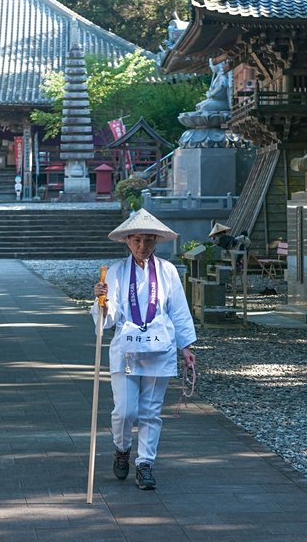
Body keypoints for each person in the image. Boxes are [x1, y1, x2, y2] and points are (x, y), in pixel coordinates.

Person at [92, 208, 196, 490]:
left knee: (150, 411)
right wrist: (102, 301)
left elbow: (178, 310)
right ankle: (122, 448)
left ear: (157, 241)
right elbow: (110, 318)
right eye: (136, 240)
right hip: (127, 349)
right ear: (127, 240)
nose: (142, 246)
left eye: (148, 240)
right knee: (124, 410)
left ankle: (145, 463)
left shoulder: (168, 271)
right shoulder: (114, 272)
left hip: (159, 346)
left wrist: (185, 346)